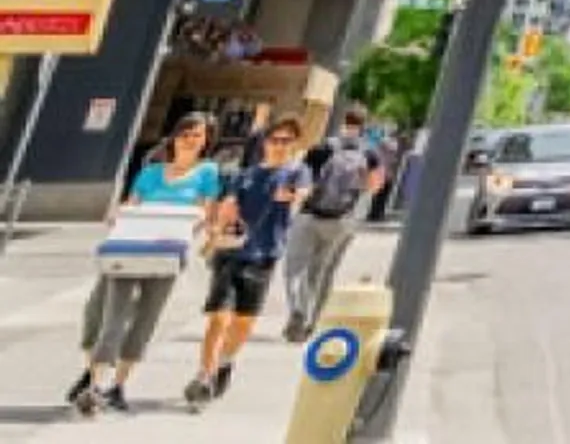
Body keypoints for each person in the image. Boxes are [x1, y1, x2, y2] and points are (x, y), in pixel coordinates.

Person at [70, 113, 221, 419]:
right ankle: (95, 384)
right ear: (175, 136)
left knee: (145, 319)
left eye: (197, 135)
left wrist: (188, 228)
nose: (190, 139)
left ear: (206, 141)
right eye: (186, 133)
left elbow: (205, 212)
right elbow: (132, 204)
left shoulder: (207, 172)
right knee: (111, 318)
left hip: (168, 254)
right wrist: (119, 213)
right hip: (131, 249)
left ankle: (118, 385)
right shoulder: (151, 172)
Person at [185, 117, 308, 409]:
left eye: (286, 141)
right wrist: (220, 218)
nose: (279, 146)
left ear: (294, 145)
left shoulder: (296, 173)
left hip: (264, 256)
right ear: (265, 143)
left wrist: (291, 198)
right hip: (231, 253)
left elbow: (301, 197)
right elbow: (226, 208)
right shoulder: (246, 175)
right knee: (219, 317)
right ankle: (204, 377)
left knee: (244, 322)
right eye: (274, 140)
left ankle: (225, 362)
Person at [282, 107, 384, 343]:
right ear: (364, 126)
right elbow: (374, 185)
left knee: (295, 269)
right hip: (342, 221)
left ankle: (298, 311)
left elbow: (301, 180)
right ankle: (313, 322)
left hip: (309, 215)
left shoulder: (322, 148)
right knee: (322, 272)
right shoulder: (370, 153)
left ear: (341, 122)